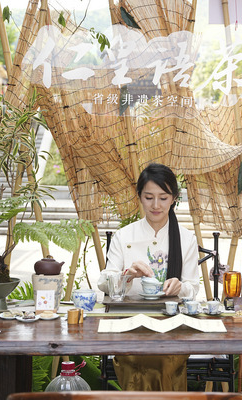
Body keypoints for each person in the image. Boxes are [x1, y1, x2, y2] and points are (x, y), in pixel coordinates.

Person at [97, 163, 199, 391]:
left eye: (163, 198)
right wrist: (127, 276)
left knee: (163, 359)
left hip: (172, 326)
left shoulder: (186, 239)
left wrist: (180, 287)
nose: (155, 205)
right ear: (140, 197)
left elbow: (193, 288)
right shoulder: (124, 236)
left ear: (174, 199)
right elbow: (103, 282)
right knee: (140, 358)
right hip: (129, 323)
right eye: (149, 197)